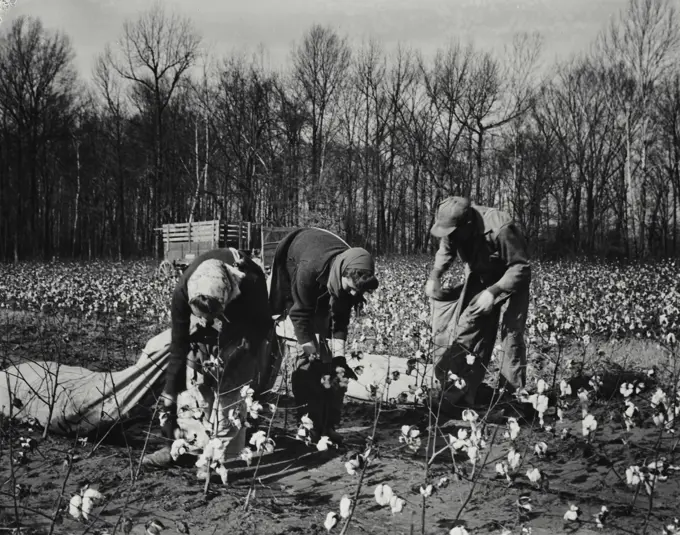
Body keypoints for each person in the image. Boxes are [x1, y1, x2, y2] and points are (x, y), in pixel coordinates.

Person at [143, 248, 274, 470]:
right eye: (199, 316)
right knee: (193, 388)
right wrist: (170, 391)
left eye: (208, 317)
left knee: (231, 396)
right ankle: (181, 448)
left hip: (241, 330)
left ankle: (219, 457)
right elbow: (178, 345)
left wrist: (234, 353)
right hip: (209, 330)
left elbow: (260, 327)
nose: (204, 321)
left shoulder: (250, 282)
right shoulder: (185, 289)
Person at [269, 228, 379, 444]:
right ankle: (307, 425)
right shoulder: (310, 268)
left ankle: (328, 426)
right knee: (307, 369)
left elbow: (340, 321)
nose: (355, 294)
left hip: (323, 292)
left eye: (360, 291)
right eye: (352, 288)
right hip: (296, 295)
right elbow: (299, 313)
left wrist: (339, 358)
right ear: (342, 274)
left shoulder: (353, 274)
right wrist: (311, 351)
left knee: (335, 371)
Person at [425, 196, 531, 415]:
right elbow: (445, 251)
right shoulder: (452, 228)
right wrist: (435, 276)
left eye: (454, 232)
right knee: (468, 328)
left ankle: (511, 397)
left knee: (510, 335)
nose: (451, 236)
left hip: (512, 279)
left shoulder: (500, 227)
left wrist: (494, 292)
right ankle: (462, 391)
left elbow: (520, 267)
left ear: (468, 225)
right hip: (480, 276)